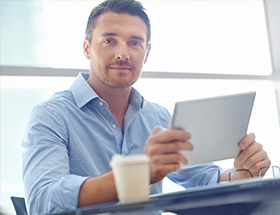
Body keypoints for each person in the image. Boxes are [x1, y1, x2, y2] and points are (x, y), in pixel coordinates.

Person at [21, 0, 271, 214]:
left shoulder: (156, 117)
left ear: (147, 52)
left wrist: (241, 174)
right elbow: (42, 201)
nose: (123, 53)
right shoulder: (51, 116)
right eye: (109, 40)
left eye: (134, 43)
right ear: (87, 48)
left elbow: (202, 177)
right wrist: (137, 174)